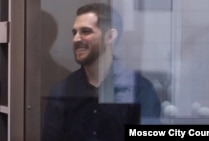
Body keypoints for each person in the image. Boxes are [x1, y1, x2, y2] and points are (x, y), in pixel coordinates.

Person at [41, 3, 161, 141]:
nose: (76, 39)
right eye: (74, 32)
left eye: (85, 31)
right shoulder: (62, 91)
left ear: (109, 37)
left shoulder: (140, 90)